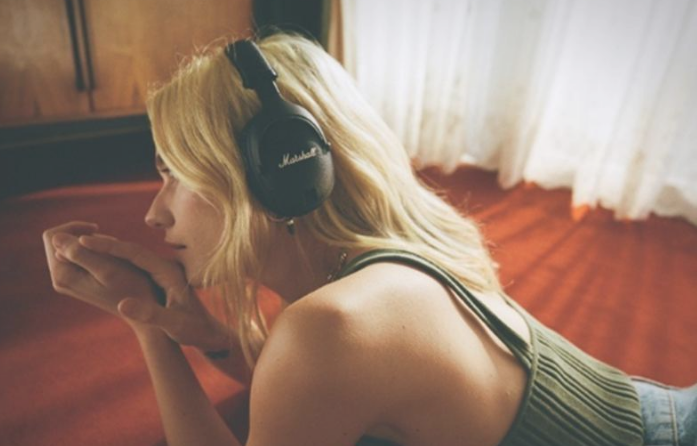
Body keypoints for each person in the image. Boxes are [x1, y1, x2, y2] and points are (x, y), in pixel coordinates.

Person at [42, 32, 695, 446]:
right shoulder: (394, 258)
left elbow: (312, 371)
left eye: (177, 176)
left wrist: (147, 326)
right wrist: (205, 334)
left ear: (280, 170)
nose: (154, 216)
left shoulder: (329, 328)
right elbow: (320, 393)